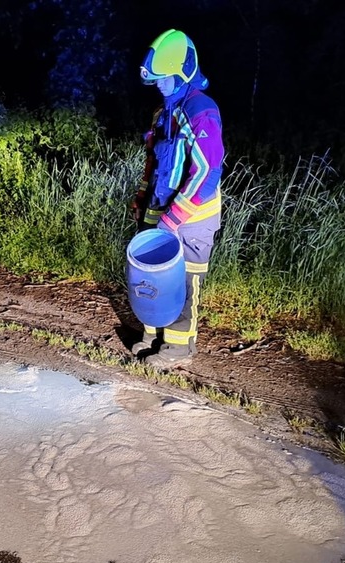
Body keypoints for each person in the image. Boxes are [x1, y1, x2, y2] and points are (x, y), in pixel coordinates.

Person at [130, 29, 224, 369]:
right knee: (151, 276)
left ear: (182, 72)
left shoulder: (201, 110)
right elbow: (153, 161)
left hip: (192, 218)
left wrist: (173, 220)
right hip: (159, 209)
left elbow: (206, 172)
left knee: (183, 280)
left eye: (163, 78)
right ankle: (154, 334)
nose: (158, 84)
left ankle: (179, 347)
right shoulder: (163, 114)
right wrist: (142, 197)